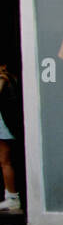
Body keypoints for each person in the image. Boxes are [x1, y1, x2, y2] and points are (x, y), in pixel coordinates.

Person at [0, 63, 20, 212]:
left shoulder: (4, 79)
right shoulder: (12, 79)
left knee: (5, 161)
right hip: (6, 124)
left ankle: (12, 197)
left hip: (4, 125)